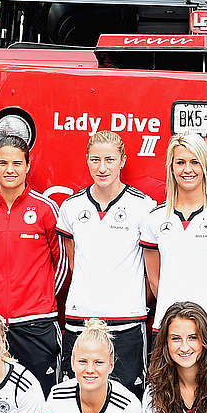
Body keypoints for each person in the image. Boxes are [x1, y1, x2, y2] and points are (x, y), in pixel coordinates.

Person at [56, 131, 157, 396]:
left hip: (127, 320)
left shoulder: (144, 207)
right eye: (95, 159)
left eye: (110, 159)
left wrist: (134, 299)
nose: (102, 168)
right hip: (81, 317)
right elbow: (73, 259)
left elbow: (152, 268)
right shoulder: (71, 207)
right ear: (87, 160)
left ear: (122, 160)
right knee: (76, 395)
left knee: (128, 398)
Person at [0, 135, 67, 392]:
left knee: (43, 396)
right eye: (3, 163)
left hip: (37, 323)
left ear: (27, 166)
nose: (9, 170)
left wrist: (40, 297)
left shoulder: (46, 209)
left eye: (16, 163)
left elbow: (63, 264)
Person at [140, 133, 207, 356]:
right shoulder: (155, 219)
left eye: (194, 162)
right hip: (169, 331)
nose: (187, 169)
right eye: (180, 162)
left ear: (205, 166)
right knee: (169, 391)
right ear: (171, 167)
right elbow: (154, 279)